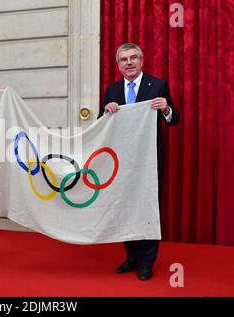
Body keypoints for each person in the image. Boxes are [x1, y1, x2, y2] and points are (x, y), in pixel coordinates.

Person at [98, 43, 179, 280]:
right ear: (119, 64)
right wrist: (106, 112)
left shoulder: (158, 85)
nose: (129, 62)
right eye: (124, 59)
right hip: (122, 161)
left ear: (142, 61)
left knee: (147, 208)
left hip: (150, 161)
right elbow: (101, 126)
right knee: (124, 207)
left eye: (134, 58)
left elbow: (174, 120)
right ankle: (131, 256)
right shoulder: (112, 90)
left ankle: (146, 262)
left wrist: (166, 109)